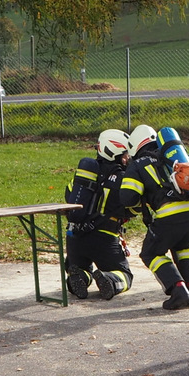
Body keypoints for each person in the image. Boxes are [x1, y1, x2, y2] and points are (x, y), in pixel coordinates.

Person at [116, 123, 189, 310]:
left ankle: (178, 289)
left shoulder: (138, 164)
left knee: (150, 252)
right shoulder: (179, 155)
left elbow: (127, 198)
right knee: (183, 246)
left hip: (171, 215)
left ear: (134, 146)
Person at [63, 128, 134, 300]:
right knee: (125, 276)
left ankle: (80, 276)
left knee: (82, 268)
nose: (127, 159)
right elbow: (130, 208)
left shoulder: (83, 176)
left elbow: (69, 196)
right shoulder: (123, 179)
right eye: (125, 155)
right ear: (114, 152)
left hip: (75, 238)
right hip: (104, 240)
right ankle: (109, 280)